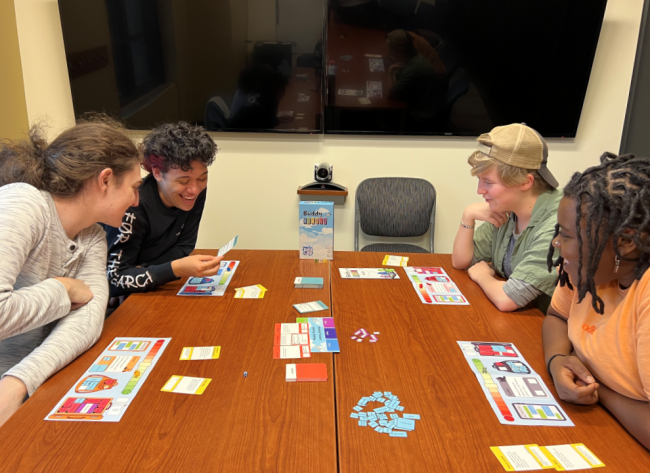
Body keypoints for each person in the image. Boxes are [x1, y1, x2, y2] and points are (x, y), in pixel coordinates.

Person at [0, 119, 143, 427]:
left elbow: (88, 321)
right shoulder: (24, 203)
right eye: (134, 188)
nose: (137, 201)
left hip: (24, 391)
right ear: (105, 180)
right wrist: (62, 290)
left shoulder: (91, 235)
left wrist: (18, 382)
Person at [544, 153, 650, 449]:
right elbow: (556, 316)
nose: (556, 244)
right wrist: (556, 361)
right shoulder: (586, 275)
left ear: (626, 242)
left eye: (566, 236)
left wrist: (599, 390)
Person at [104, 122, 221, 302]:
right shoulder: (133, 206)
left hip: (151, 288)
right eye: (183, 181)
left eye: (202, 178)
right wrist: (174, 269)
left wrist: (145, 270)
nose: (194, 189)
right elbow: (113, 281)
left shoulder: (194, 192)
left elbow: (185, 246)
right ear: (158, 173)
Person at [452, 123, 561, 312]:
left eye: (488, 182)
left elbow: (507, 299)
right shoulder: (508, 208)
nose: (480, 190)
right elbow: (461, 261)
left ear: (525, 182)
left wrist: (483, 276)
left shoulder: (557, 224)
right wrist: (468, 215)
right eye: (479, 180)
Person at [386, 29, 447, 130]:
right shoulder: (415, 56)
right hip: (430, 102)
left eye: (390, 49)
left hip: (423, 113)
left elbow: (391, 94)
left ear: (399, 51)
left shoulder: (412, 70)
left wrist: (390, 71)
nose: (388, 52)